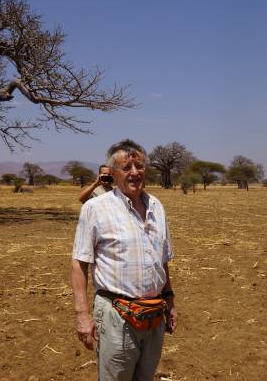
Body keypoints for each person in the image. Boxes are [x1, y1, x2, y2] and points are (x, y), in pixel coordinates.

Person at [71, 139, 178, 381]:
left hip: (154, 315)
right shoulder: (96, 208)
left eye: (139, 166)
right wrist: (82, 314)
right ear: (113, 173)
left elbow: (162, 260)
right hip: (116, 315)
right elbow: (79, 262)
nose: (134, 173)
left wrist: (169, 300)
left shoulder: (157, 206)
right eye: (126, 168)